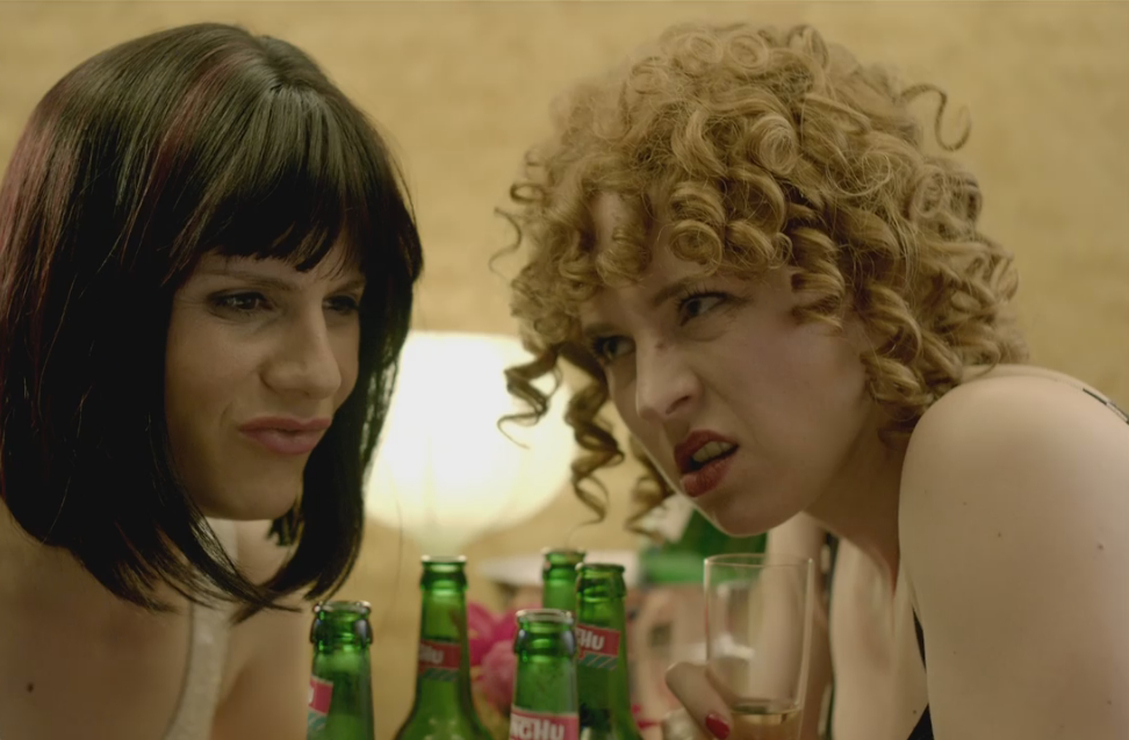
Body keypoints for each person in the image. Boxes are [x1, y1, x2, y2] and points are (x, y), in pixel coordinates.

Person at [501, 21, 1128, 740]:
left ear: (859, 273)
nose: (650, 396)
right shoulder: (820, 537)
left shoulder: (1005, 449)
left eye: (699, 303)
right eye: (613, 345)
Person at [0, 22, 422, 740]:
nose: (319, 373)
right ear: (89, 305)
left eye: (342, 304)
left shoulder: (251, 591)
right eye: (245, 301)